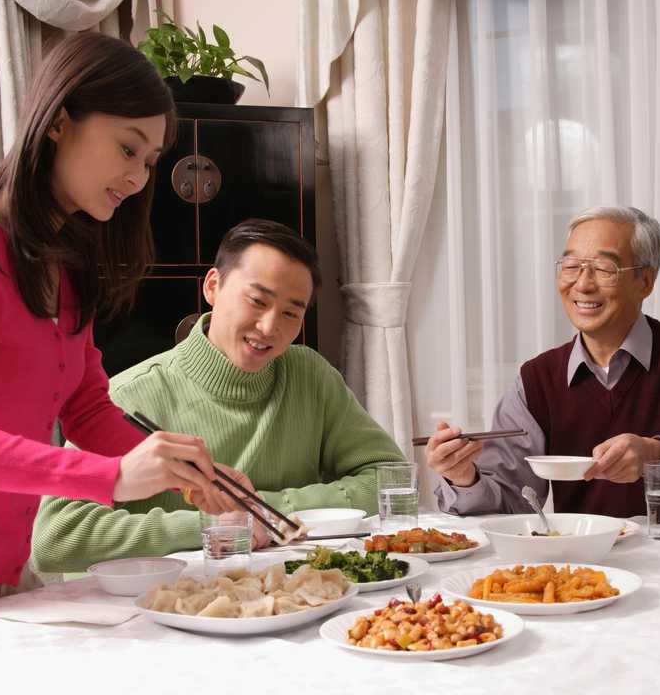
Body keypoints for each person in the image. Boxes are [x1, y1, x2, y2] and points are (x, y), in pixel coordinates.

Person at [0, 33, 249, 633]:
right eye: (128, 148)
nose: (136, 178)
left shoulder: (62, 263)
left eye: (148, 161)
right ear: (58, 122)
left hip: (4, 570)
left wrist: (185, 468)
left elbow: (86, 408)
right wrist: (110, 478)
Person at [32, 219, 406, 574]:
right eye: (258, 301)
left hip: (292, 594)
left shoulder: (309, 375)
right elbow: (55, 539)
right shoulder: (129, 397)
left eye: (292, 313)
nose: (269, 327)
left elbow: (391, 480)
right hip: (163, 609)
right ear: (213, 286)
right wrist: (212, 526)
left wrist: (267, 511)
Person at [429, 206, 660, 517]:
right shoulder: (537, 379)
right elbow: (512, 501)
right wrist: (464, 477)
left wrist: (656, 456)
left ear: (645, 281)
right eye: (571, 266)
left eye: (604, 268)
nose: (582, 283)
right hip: (582, 571)